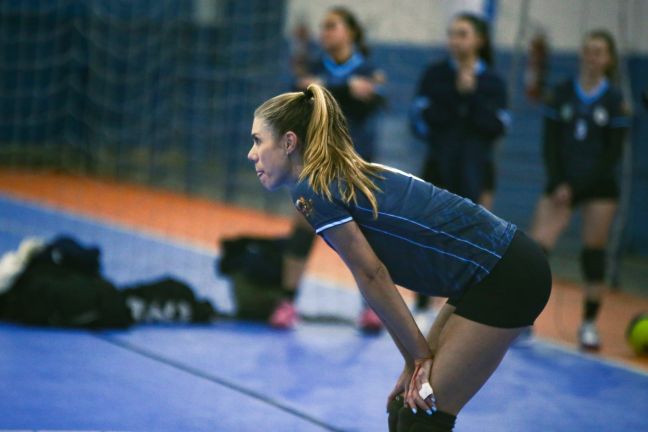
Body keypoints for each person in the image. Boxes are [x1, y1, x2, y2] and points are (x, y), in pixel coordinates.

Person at [248, 83, 551, 431]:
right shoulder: (326, 179)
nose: (251, 153)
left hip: (507, 273)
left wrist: (419, 356)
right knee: (402, 408)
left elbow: (372, 275)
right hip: (486, 274)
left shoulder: (314, 188)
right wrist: (412, 359)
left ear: (288, 142)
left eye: (258, 140)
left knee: (425, 414)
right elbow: (374, 279)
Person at [269, 6, 386, 331]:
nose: (325, 32)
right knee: (303, 227)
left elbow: (375, 94)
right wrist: (349, 88)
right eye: (323, 27)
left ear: (350, 32)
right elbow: (303, 92)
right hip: (316, 164)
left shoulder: (369, 68)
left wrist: (330, 87)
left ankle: (372, 310)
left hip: (355, 164)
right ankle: (287, 302)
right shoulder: (316, 66)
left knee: (361, 237)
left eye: (332, 26)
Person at [529, 29, 631, 351]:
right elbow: (549, 144)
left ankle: (588, 324)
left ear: (609, 59)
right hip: (560, 183)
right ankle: (521, 319)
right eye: (587, 50)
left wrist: (578, 187)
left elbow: (612, 154)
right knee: (535, 249)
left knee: (593, 252)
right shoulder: (560, 93)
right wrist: (560, 182)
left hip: (597, 187)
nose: (592, 57)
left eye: (599, 52)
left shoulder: (615, 101)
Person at [409, 13, 510, 316]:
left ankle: (462, 303)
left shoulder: (492, 81)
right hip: (439, 164)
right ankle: (423, 299)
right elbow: (421, 121)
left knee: (474, 237)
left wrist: (472, 94)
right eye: (452, 34)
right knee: (430, 234)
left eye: (462, 34)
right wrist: (455, 94)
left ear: (479, 39)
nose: (455, 40)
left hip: (477, 169)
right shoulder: (435, 75)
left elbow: (496, 127)